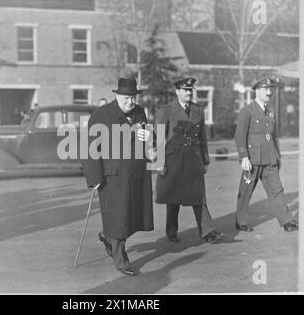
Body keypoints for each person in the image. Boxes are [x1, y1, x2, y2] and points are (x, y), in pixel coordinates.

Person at [82, 78, 154, 276]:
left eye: (133, 97)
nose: (130, 102)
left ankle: (108, 238)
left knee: (129, 217)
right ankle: (121, 261)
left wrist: (149, 138)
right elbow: (89, 148)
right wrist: (94, 177)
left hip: (136, 173)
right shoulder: (102, 115)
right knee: (119, 216)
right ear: (116, 96)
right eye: (126, 98)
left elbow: (146, 142)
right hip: (112, 176)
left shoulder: (140, 112)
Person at [155, 77, 224, 243]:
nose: (188, 93)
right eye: (185, 90)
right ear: (177, 91)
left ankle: (207, 232)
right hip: (174, 159)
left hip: (193, 158)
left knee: (199, 196)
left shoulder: (198, 110)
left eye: (190, 90)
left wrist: (205, 160)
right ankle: (171, 231)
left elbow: (203, 138)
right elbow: (157, 137)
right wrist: (158, 162)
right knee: (173, 197)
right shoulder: (166, 110)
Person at [234, 77, 298, 232]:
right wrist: (244, 157)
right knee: (246, 191)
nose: (269, 92)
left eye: (271, 89)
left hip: (270, 159)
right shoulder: (247, 111)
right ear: (257, 91)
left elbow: (274, 137)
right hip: (252, 160)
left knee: (277, 190)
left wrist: (278, 156)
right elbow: (239, 136)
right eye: (266, 89)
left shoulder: (270, 112)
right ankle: (241, 221)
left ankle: (287, 221)